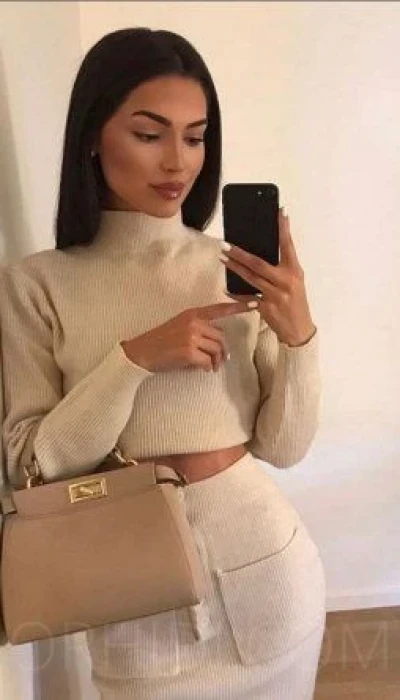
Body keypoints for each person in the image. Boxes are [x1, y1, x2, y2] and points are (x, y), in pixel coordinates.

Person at [0, 27, 326, 699]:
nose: (178, 161)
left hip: (270, 577)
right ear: (93, 136)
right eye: (149, 134)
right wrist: (134, 360)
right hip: (134, 599)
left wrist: (299, 339)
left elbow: (284, 447)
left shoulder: (233, 269)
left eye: (196, 137)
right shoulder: (35, 285)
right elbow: (32, 461)